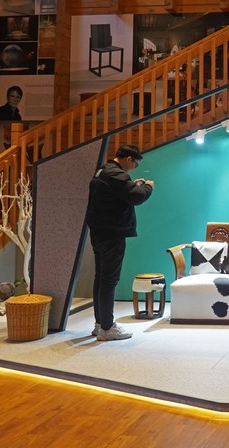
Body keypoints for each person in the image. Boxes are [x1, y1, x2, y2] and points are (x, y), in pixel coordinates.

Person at [85, 144, 154, 341]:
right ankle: (107, 328)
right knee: (109, 280)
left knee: (101, 278)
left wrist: (135, 184)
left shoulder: (103, 170)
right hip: (112, 234)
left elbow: (121, 193)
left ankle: (100, 324)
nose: (134, 168)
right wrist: (148, 187)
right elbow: (137, 197)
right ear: (128, 159)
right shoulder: (116, 174)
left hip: (99, 232)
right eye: (135, 164)